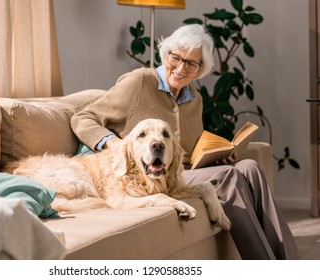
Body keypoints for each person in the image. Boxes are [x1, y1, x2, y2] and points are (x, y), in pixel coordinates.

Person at [70, 24, 299, 260]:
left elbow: (189, 149)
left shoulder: (195, 99)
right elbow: (82, 118)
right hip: (155, 176)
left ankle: (290, 261)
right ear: (165, 53)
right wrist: (112, 143)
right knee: (229, 177)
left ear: (201, 68)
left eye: (191, 63)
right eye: (175, 57)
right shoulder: (139, 82)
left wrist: (220, 154)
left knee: (249, 168)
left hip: (185, 170)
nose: (181, 68)